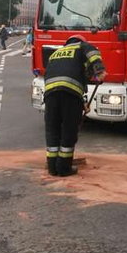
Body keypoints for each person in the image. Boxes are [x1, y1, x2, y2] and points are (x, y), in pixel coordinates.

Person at [43, 35, 106, 176]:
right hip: (70, 95)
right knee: (69, 130)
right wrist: (99, 71)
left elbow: (74, 77)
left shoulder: (56, 54)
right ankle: (64, 168)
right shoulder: (81, 46)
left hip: (50, 94)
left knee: (52, 130)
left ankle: (53, 167)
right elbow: (92, 52)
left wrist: (82, 103)